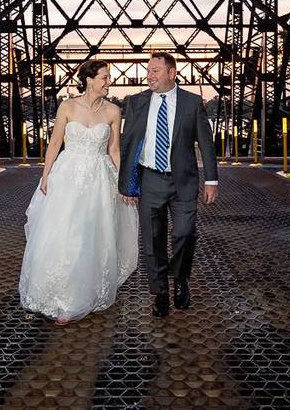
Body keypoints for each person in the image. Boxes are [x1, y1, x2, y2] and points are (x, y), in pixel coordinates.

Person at [19, 60, 139, 325]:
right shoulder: (67, 106)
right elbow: (54, 144)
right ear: (88, 79)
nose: (109, 82)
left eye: (108, 78)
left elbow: (114, 150)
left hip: (99, 180)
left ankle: (80, 296)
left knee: (91, 236)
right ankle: (57, 296)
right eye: (104, 77)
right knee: (64, 234)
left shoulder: (113, 111)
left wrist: (125, 184)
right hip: (67, 177)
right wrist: (45, 175)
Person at [118, 53, 218, 317]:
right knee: (153, 240)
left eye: (156, 71)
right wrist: (126, 185)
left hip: (183, 181)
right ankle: (160, 291)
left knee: (184, 234)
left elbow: (206, 144)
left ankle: (181, 278)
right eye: (148, 71)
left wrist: (211, 179)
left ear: (172, 74)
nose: (149, 76)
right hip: (150, 179)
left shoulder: (192, 102)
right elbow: (128, 144)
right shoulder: (136, 102)